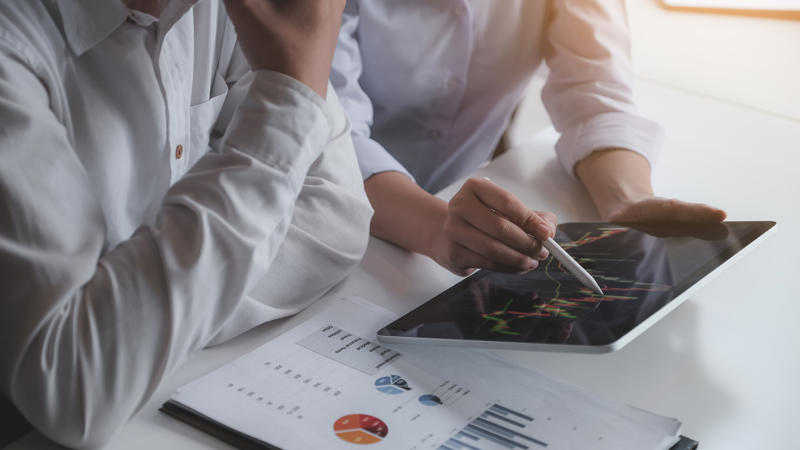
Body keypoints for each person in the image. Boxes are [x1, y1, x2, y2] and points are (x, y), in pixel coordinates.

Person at [0, 0, 371, 447]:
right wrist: (288, 99)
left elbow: (340, 217)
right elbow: (75, 388)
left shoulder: (221, 9)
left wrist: (141, 331)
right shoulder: (12, 48)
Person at [331, 0, 727, 276]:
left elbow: (594, 85)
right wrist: (438, 228)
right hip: (316, 216)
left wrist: (628, 198)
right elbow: (330, 135)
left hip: (443, 238)